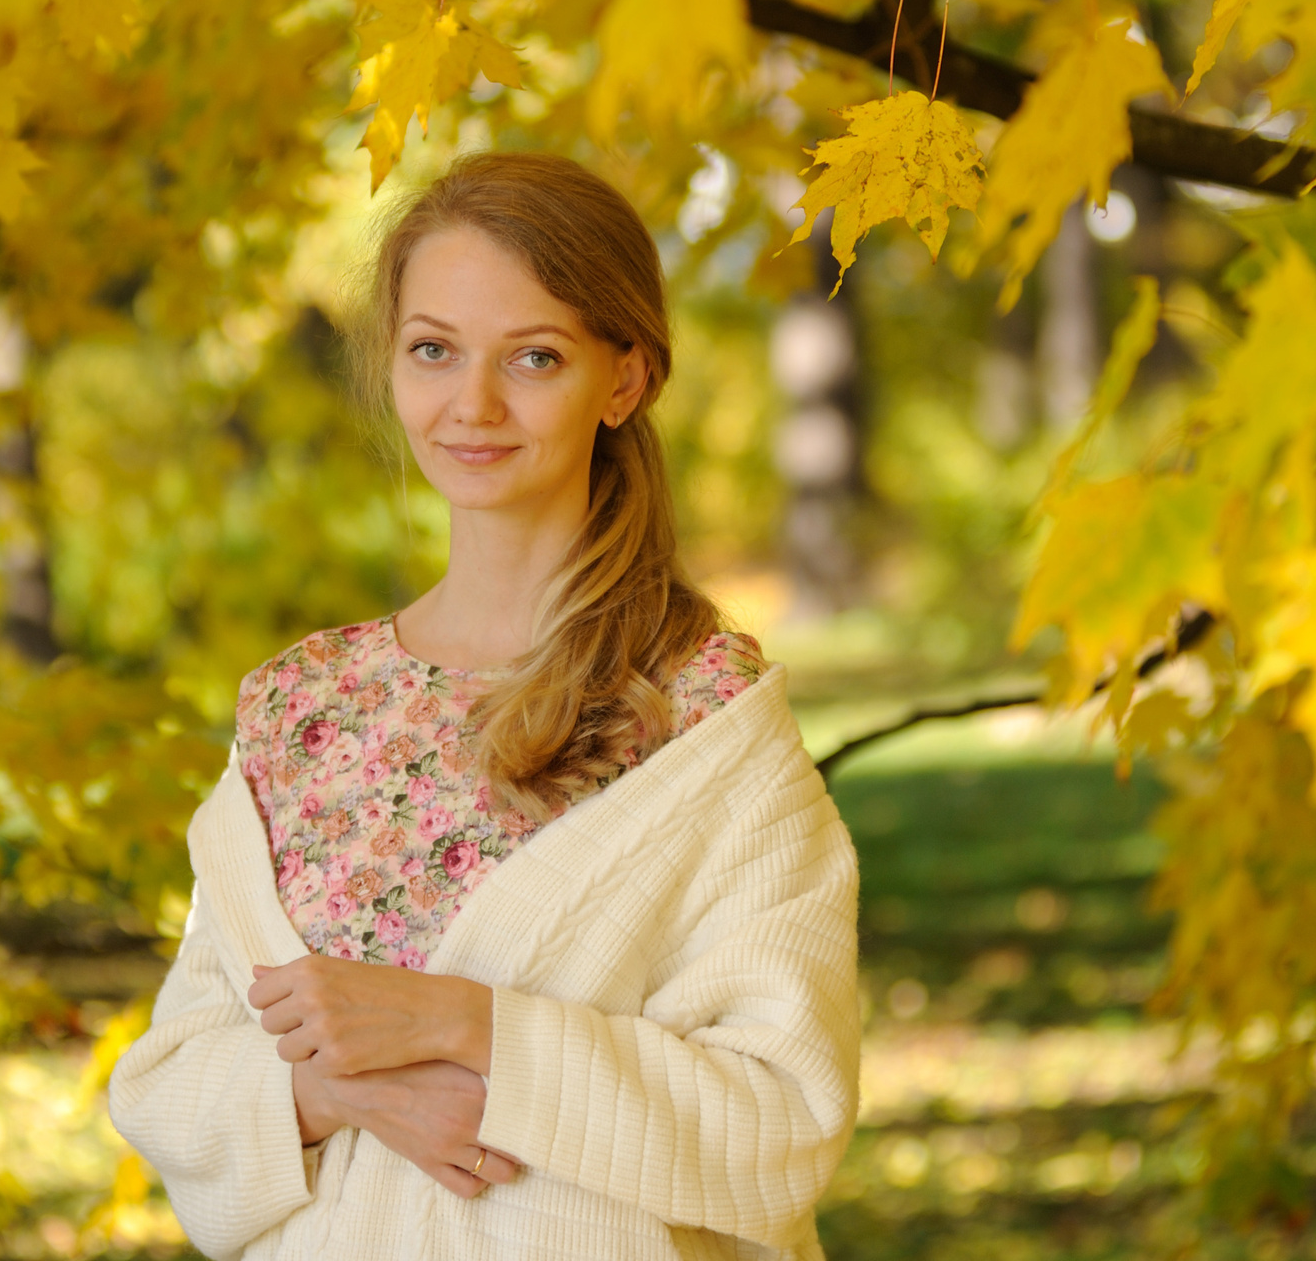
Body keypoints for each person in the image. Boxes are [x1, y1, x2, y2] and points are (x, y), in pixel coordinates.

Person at [108, 152, 860, 1260]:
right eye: (432, 351)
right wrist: (348, 1098)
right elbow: (172, 1080)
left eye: (535, 357)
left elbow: (778, 1119)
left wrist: (465, 1030)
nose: (473, 405)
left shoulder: (701, 709)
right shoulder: (306, 707)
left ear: (624, 379)